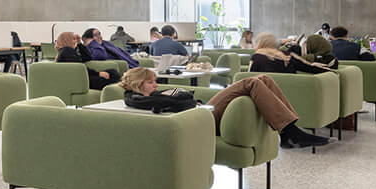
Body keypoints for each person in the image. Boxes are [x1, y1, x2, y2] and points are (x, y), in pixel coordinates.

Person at [119, 67, 329, 148]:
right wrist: (181, 97)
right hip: (202, 120)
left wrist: (180, 97)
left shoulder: (150, 95)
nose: (155, 85)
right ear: (138, 85)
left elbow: (176, 100)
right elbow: (174, 105)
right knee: (250, 83)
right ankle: (290, 132)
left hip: (201, 112)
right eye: (150, 82)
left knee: (263, 78)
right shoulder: (139, 100)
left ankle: (289, 131)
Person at [55, 32, 120, 90]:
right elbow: (79, 68)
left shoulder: (67, 51)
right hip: (80, 80)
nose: (75, 42)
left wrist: (80, 43)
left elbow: (88, 57)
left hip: (83, 77)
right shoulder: (67, 50)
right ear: (67, 40)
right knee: (113, 77)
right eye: (73, 39)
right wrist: (98, 74)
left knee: (113, 72)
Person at [249, 33, 333, 74]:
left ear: (259, 44)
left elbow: (249, 78)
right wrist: (332, 72)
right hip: (292, 94)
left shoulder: (256, 57)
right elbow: (308, 67)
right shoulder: (287, 56)